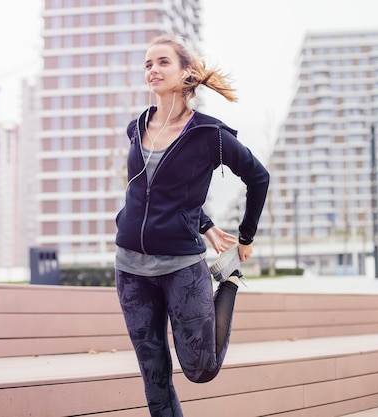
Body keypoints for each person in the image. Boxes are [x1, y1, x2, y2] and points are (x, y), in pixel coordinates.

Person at [114, 34, 270, 417]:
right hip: (130, 268)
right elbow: (157, 190)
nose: (152, 69)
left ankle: (230, 281)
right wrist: (202, 221)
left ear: (186, 72)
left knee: (200, 369)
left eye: (162, 62)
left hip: (181, 266)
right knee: (154, 374)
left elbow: (258, 177)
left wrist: (245, 236)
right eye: (148, 63)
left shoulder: (209, 134)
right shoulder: (137, 127)